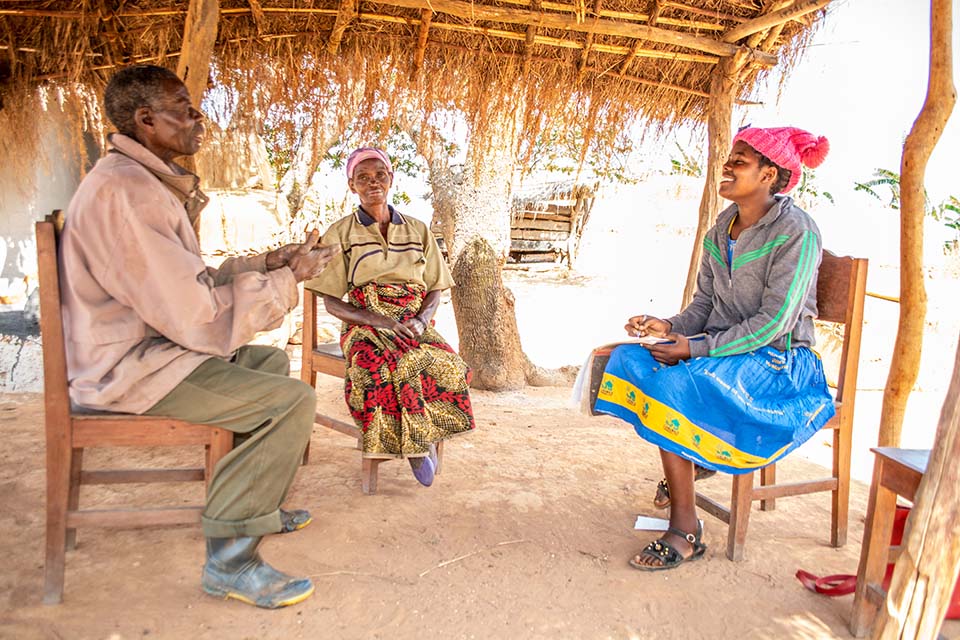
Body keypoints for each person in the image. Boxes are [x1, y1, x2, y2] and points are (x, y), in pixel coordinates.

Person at [58, 64, 340, 608]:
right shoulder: (128, 194)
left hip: (143, 352)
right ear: (145, 120)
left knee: (265, 365)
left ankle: (251, 503)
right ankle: (231, 561)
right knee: (291, 402)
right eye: (183, 109)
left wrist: (267, 261)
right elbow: (197, 316)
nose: (197, 118)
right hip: (127, 369)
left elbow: (187, 282)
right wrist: (289, 278)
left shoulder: (139, 183)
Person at [592, 126, 835, 571]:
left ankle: (686, 529)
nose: (726, 166)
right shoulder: (720, 229)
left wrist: (695, 349)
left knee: (678, 384)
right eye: (729, 158)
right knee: (627, 358)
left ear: (769, 174)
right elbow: (705, 305)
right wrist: (667, 326)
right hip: (727, 352)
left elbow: (774, 323)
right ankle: (695, 453)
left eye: (740, 161)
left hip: (778, 359)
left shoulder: (797, 232)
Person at [305, 147, 475, 486]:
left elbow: (436, 288)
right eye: (363, 179)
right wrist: (379, 321)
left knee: (448, 364)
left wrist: (422, 320)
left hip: (413, 321)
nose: (373, 184)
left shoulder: (417, 229)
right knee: (379, 365)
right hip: (365, 323)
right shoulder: (340, 233)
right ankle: (414, 447)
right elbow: (330, 302)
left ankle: (417, 439)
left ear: (391, 179)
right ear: (352, 185)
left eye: (379, 176)